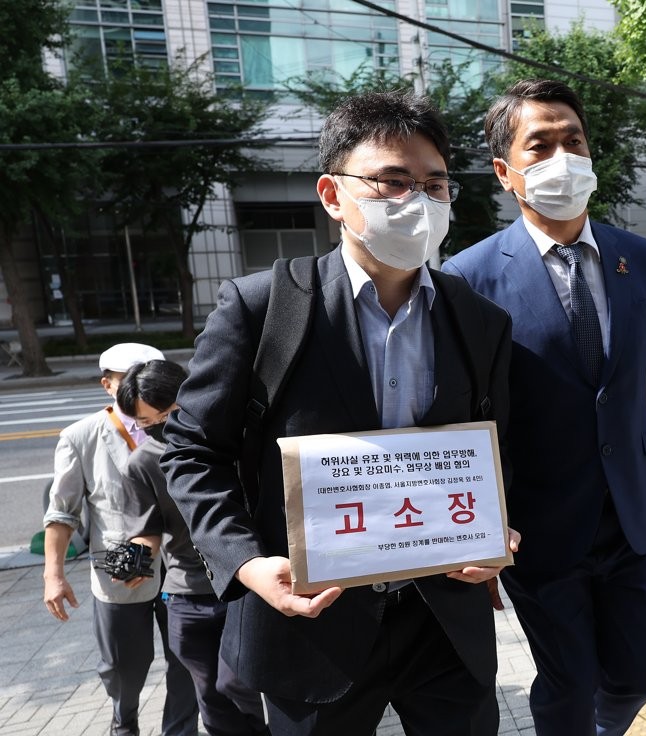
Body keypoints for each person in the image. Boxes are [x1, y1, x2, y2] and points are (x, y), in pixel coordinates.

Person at [161, 90, 517, 736]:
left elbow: (500, 447)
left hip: (444, 625)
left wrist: (499, 532)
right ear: (332, 195)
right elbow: (190, 450)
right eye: (392, 182)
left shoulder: (478, 319)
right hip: (311, 622)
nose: (417, 201)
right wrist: (245, 562)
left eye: (435, 185)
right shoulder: (263, 307)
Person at [442, 78, 646, 736]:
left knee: (639, 668)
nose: (563, 155)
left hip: (633, 516)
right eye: (541, 145)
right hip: (539, 529)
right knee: (569, 680)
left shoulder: (638, 258)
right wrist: (475, 530)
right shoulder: (468, 277)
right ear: (506, 172)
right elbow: (466, 420)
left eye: (574, 140)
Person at [42, 343, 198, 736]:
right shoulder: (80, 436)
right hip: (121, 575)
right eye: (127, 378)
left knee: (187, 661)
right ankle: (123, 718)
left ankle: (180, 731)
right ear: (107, 384)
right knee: (125, 664)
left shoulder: (183, 425)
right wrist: (53, 574)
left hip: (182, 570)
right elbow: (62, 512)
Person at [116, 359, 268, 736]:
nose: (159, 428)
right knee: (212, 702)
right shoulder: (143, 464)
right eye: (146, 423)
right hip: (188, 596)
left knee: (239, 684)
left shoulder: (233, 440)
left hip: (244, 585)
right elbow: (146, 532)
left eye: (167, 414)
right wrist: (134, 563)